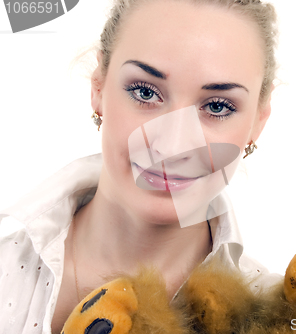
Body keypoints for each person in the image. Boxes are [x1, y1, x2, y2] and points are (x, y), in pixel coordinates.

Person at [0, 0, 280, 333]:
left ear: (257, 123)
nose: (173, 146)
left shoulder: (276, 316)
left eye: (217, 106)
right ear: (98, 87)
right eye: (145, 92)